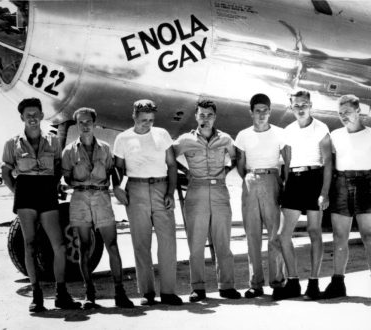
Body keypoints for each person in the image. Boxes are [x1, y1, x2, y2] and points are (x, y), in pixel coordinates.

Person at [1, 98, 80, 313]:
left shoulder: (53, 142)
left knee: (59, 245)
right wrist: (17, 193)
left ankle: (61, 293)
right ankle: (37, 296)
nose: (32, 118)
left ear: (42, 116)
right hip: (25, 192)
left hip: (46, 191)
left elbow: (57, 168)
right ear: (22, 117)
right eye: (28, 115)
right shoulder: (12, 143)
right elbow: (6, 172)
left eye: (36, 114)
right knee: (30, 245)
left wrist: (53, 187)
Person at [61, 107, 134, 308]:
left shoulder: (106, 148)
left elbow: (112, 172)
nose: (84, 126)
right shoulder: (69, 151)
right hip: (80, 198)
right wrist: (82, 185)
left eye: (88, 122)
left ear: (94, 123)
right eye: (80, 122)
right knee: (84, 247)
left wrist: (117, 188)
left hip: (102, 197)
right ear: (77, 125)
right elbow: (67, 176)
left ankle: (120, 292)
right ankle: (90, 295)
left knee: (112, 245)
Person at [113, 99, 182, 306]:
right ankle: (147, 292)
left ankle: (168, 292)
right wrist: (117, 189)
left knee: (168, 242)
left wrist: (170, 192)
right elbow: (118, 169)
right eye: (143, 120)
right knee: (141, 243)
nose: (147, 124)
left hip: (161, 189)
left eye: (151, 120)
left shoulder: (162, 134)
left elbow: (171, 166)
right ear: (134, 116)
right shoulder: (123, 138)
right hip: (136, 190)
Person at [173, 99, 241, 302]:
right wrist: (184, 171)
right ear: (195, 116)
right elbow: (168, 156)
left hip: (219, 190)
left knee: (223, 240)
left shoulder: (226, 139)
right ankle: (198, 288)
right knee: (196, 241)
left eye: (209, 115)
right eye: (201, 115)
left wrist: (227, 170)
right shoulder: (185, 140)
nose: (205, 119)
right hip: (197, 190)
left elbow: (236, 157)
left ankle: (227, 286)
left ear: (215, 117)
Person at [323, 94, 371, 300]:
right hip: (340, 184)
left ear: (358, 111)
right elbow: (329, 165)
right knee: (340, 237)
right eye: (340, 113)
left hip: (365, 183)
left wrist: (368, 181)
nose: (343, 117)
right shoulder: (335, 135)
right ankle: (338, 283)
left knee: (369, 236)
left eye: (347, 112)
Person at [277, 90, 332, 300]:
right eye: (296, 105)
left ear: (310, 106)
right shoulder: (288, 130)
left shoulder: (321, 128)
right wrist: (286, 186)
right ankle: (292, 281)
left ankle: (314, 283)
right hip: (295, 180)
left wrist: (324, 193)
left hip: (315, 178)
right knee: (283, 235)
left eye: (304, 104)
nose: (300, 108)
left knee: (314, 231)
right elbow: (288, 162)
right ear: (291, 107)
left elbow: (327, 162)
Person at [235, 94, 286, 299]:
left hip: (272, 179)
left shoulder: (280, 134)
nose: (262, 114)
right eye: (258, 110)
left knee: (275, 235)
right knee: (252, 235)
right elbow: (240, 164)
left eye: (265, 110)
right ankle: (255, 284)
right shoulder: (243, 135)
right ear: (251, 112)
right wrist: (251, 180)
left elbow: (287, 163)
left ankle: (277, 282)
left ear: (270, 111)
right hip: (250, 181)